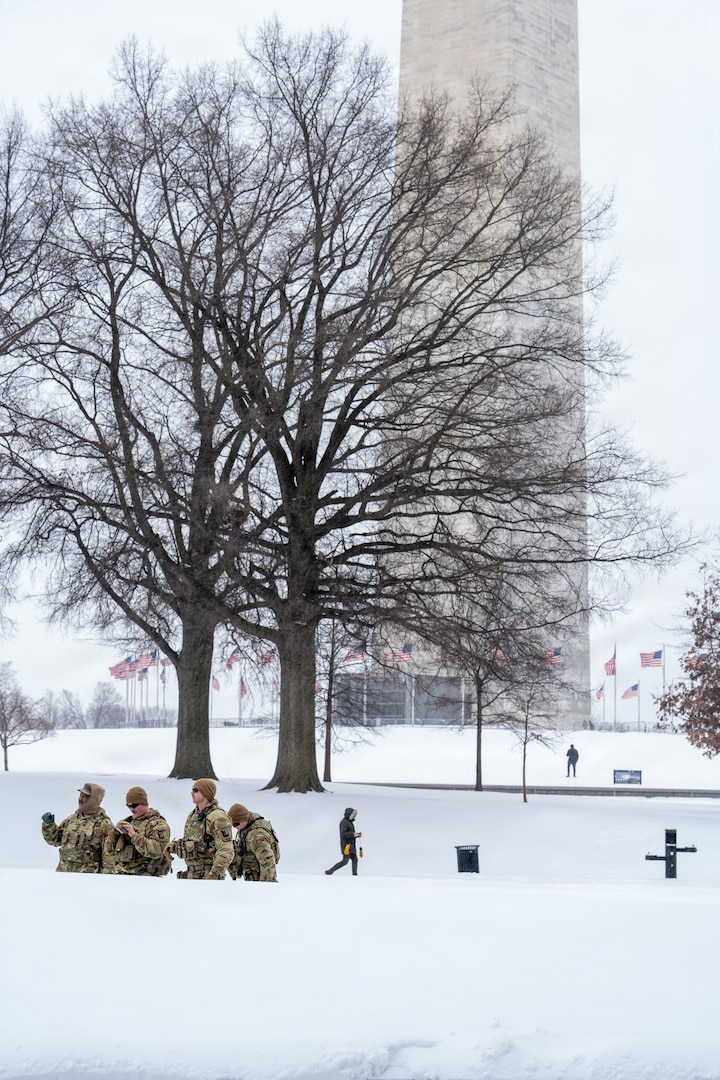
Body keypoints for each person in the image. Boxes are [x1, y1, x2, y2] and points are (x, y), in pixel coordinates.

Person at [165, 778, 233, 880]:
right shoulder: (193, 815)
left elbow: (226, 850)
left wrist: (214, 875)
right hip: (191, 875)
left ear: (206, 792)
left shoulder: (218, 816)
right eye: (192, 790)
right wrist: (173, 846)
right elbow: (191, 842)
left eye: (196, 790)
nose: (191, 793)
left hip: (208, 876)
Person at [41, 782, 114, 873]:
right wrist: (49, 825)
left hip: (87, 878)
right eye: (80, 795)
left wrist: (106, 879)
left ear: (94, 799)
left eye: (85, 797)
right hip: (63, 874)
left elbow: (109, 857)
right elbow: (55, 840)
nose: (80, 799)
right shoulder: (72, 819)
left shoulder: (104, 824)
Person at [107, 786, 172, 876]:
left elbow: (158, 851)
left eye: (134, 805)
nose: (131, 809)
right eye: (128, 806)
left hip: (146, 876)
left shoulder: (158, 824)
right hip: (123, 874)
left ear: (144, 803)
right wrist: (113, 837)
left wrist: (134, 836)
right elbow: (110, 852)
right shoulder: (128, 821)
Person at [227, 803, 279, 882]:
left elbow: (268, 862)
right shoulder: (247, 826)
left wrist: (263, 886)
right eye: (232, 825)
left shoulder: (256, 836)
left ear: (244, 819)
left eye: (236, 824)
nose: (235, 827)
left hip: (261, 882)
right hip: (253, 880)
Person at [325, 807, 362, 876]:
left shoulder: (349, 822)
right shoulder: (344, 822)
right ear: (349, 814)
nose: (354, 816)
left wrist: (356, 835)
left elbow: (349, 834)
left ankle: (355, 874)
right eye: (353, 815)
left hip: (351, 845)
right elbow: (343, 834)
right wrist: (353, 834)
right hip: (346, 846)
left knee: (354, 859)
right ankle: (330, 871)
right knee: (345, 861)